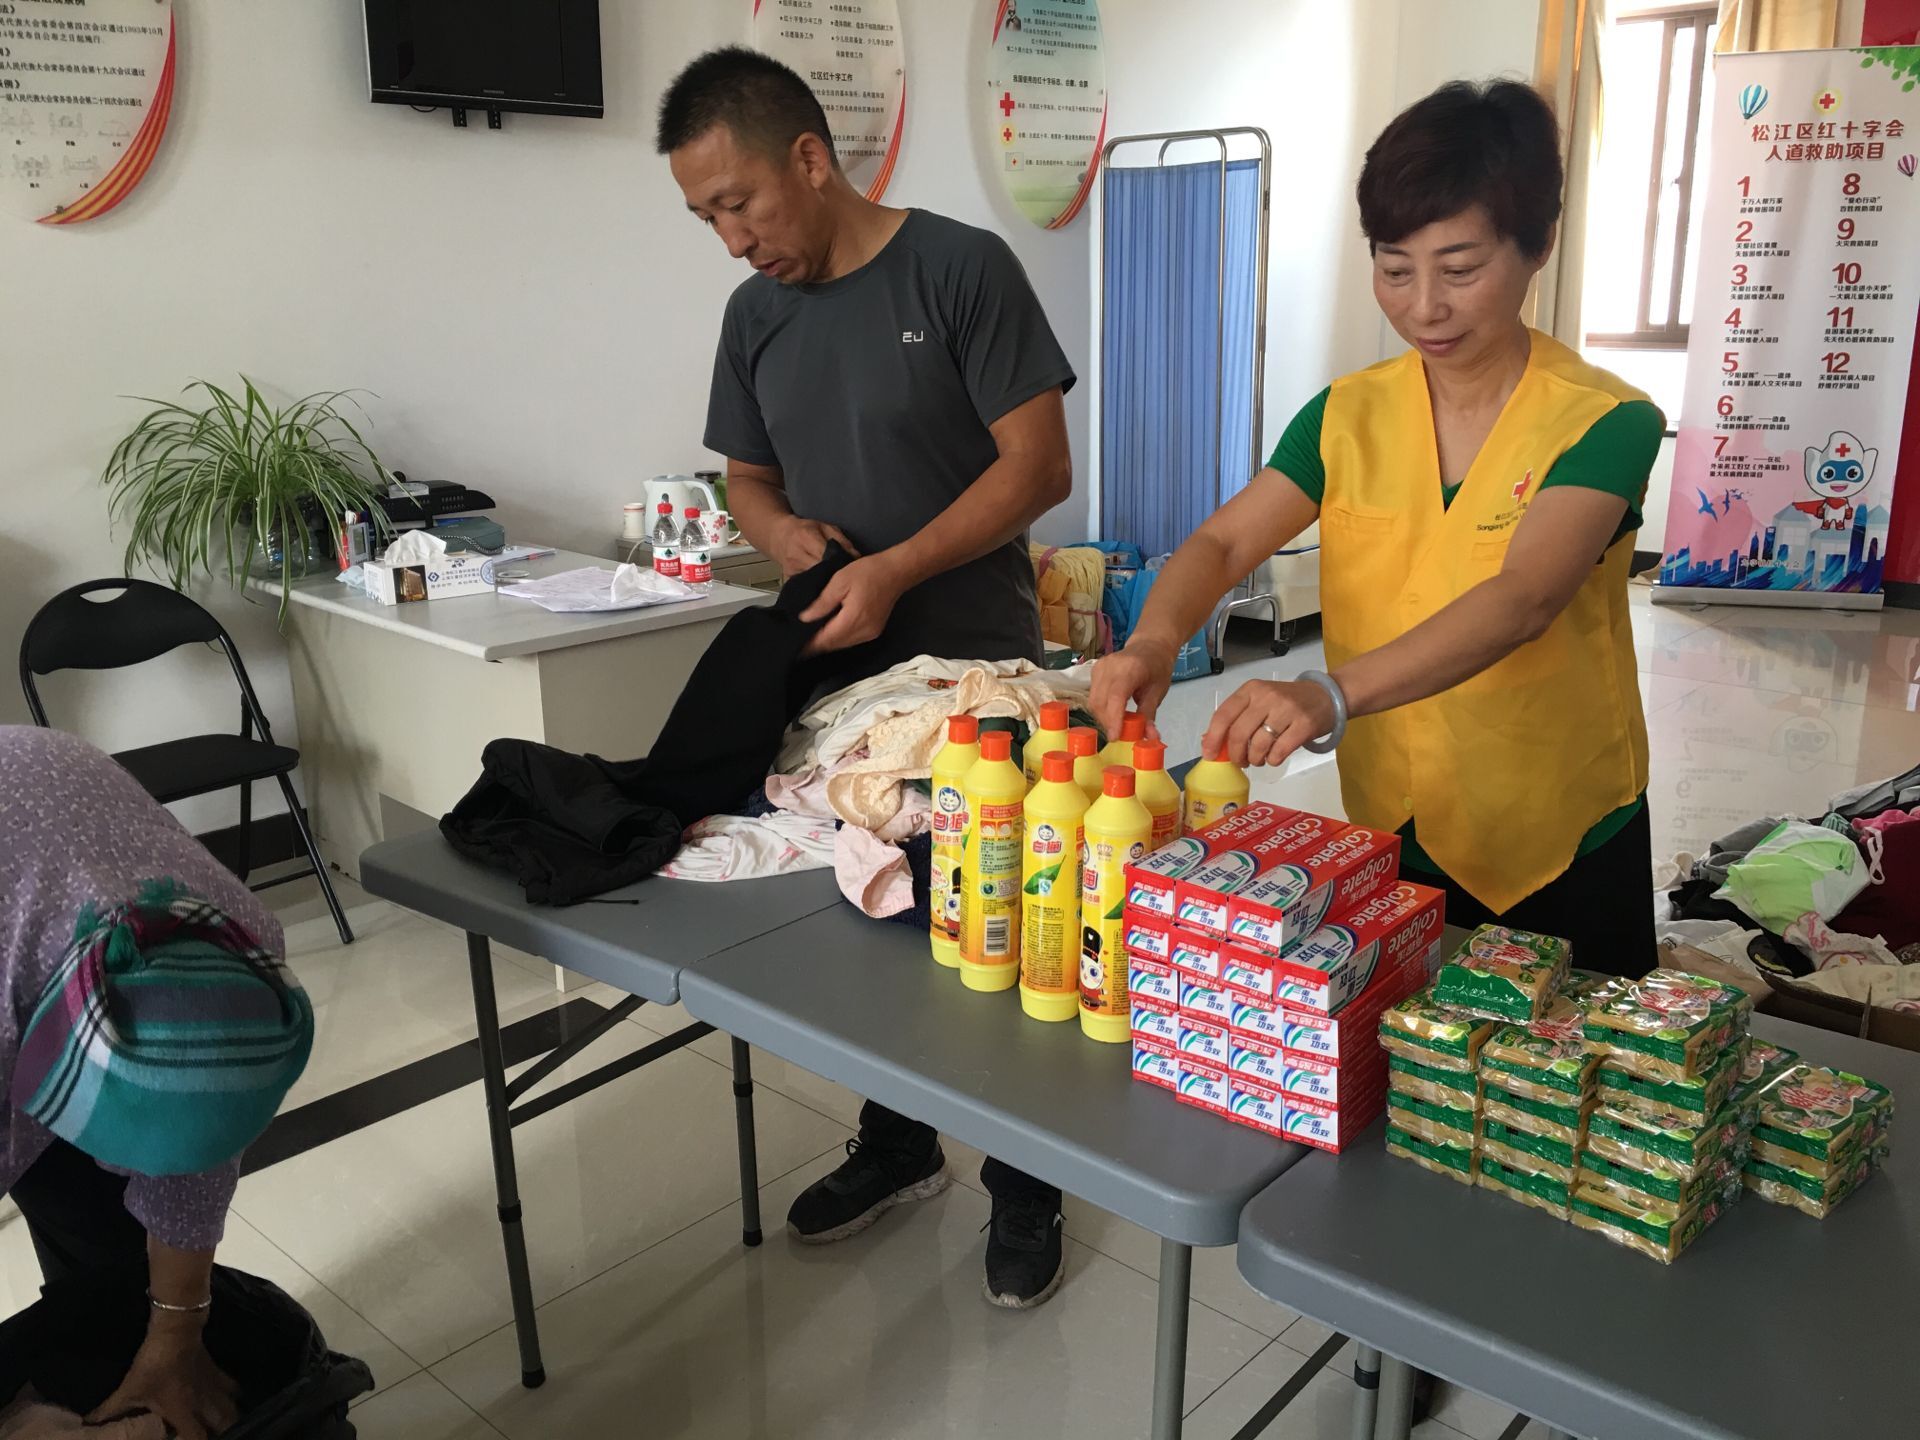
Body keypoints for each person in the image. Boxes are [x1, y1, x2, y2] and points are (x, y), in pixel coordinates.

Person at [656, 48, 1078, 1307]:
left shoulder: (959, 269)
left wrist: (896, 567)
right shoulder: (756, 317)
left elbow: (1038, 467)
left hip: (976, 683)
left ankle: (1028, 1182)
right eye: (706, 219)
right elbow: (747, 476)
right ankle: (897, 1144)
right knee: (873, 928)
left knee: (991, 928)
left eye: (740, 203)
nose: (733, 240)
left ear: (808, 158)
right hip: (841, 693)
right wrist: (783, 533)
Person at [1093, 80, 1664, 975]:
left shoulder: (1604, 420)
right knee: (1410, 1049)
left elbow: (1524, 598)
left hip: (1557, 833)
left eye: (1460, 269)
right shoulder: (1346, 415)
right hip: (1397, 820)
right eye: (1395, 270)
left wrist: (1329, 693)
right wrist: (1156, 639)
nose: (1424, 305)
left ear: (1539, 245)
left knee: (1576, 1052)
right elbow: (1224, 543)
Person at [0, 726, 314, 1438]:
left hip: (45, 825)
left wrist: (174, 1337)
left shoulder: (243, 955)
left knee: (112, 1262)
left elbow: (195, 1155)